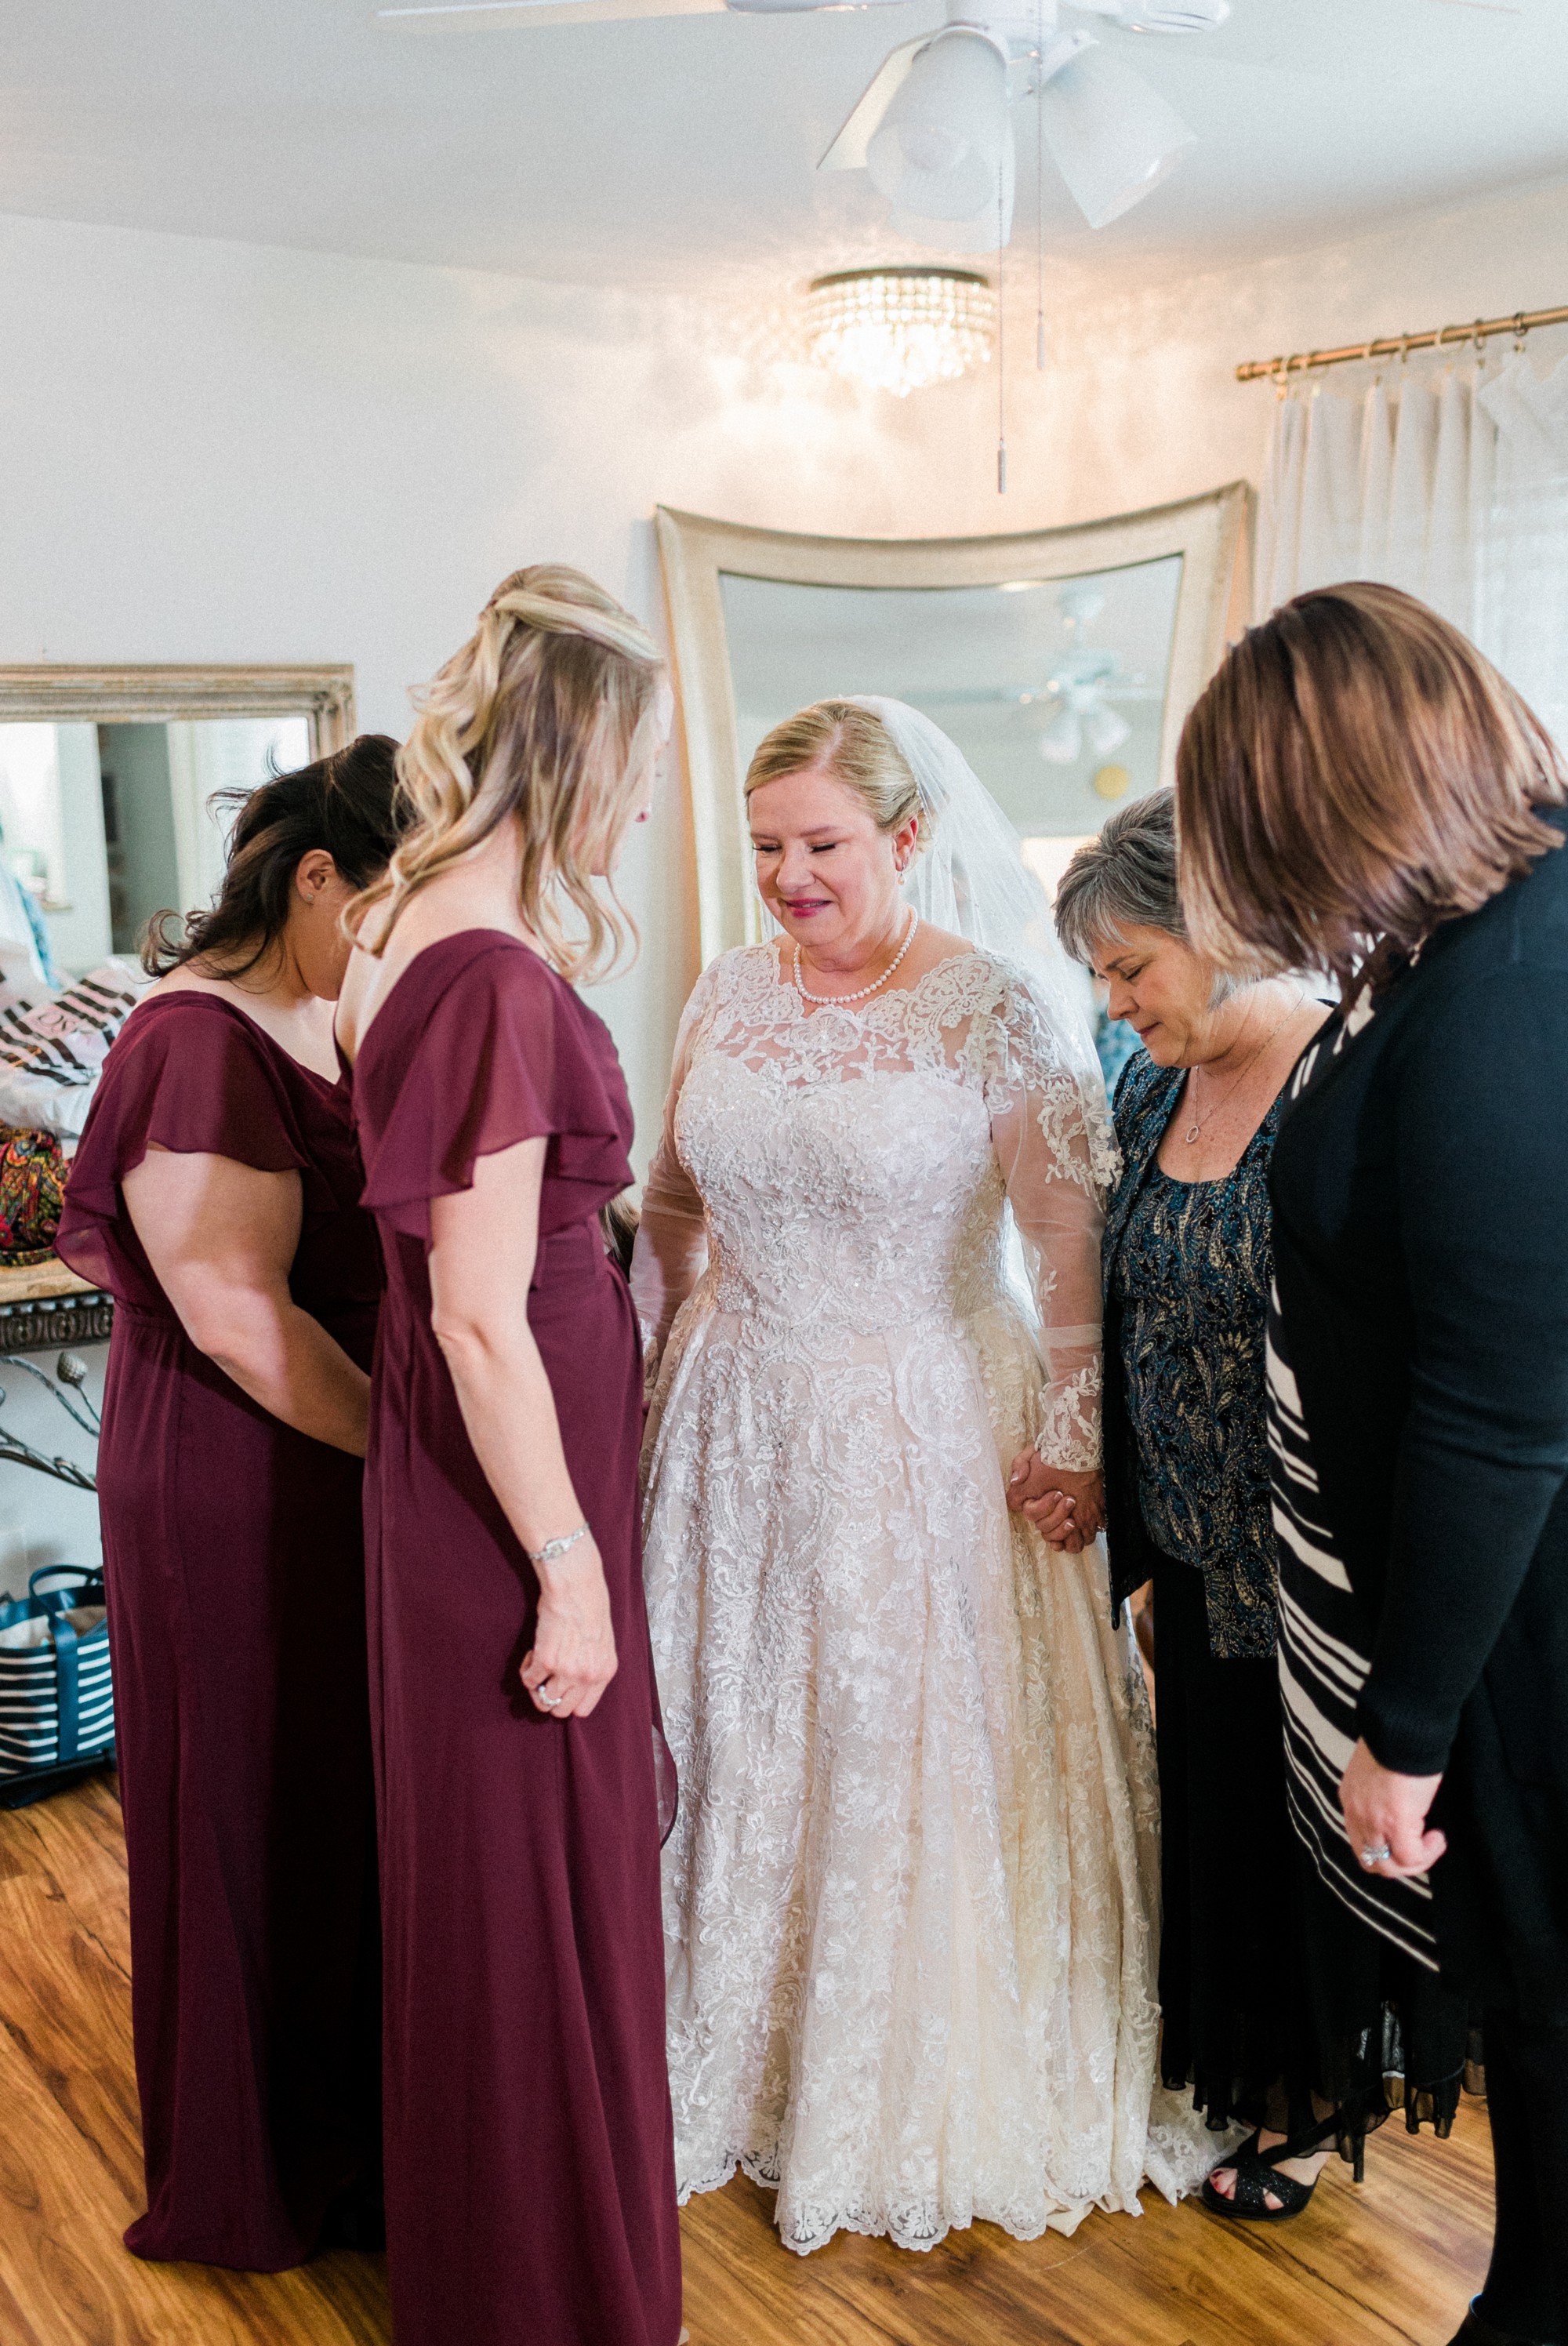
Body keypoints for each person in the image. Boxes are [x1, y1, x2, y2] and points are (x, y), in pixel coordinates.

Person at [633, 695, 1215, 2259]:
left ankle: (894, 2063)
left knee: (896, 1736)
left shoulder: (994, 1005)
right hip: (735, 1420)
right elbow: (674, 1197)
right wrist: (644, 1365)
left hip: (922, 1421)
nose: (788, 879)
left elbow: (1065, 1235)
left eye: (819, 844)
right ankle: (742, 2047)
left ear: (903, 837)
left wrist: (1082, 1435)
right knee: (749, 1725)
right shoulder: (723, 991)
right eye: (766, 847)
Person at [1177, 580, 1568, 2346]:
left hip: (1521, 1628)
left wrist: (1400, 1733)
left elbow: (1500, 1406)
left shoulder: (1503, 987)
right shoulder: (1479, 945)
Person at [335, 568, 683, 2346]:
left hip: (466, 1449)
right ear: (577, 748)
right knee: (529, 1874)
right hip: (501, 1477)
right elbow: (477, 1311)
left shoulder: (399, 925)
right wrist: (569, 1567)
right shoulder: (478, 968)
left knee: (503, 1874)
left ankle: (515, 2263)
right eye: (638, 765)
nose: (643, 805)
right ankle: (544, 2294)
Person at [1056, 791, 1465, 2221]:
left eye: (1132, 968)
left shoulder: (1340, 1074)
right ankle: (1244, 2074)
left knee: (1310, 1827)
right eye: (1099, 976)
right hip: (1184, 1529)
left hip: (1319, 1542)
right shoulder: (1145, 1088)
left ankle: (1315, 2101)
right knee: (1221, 1818)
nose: (1114, 1002)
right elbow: (1119, 1306)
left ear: (1217, 932)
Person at [54, 737, 404, 2268]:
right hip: (239, 1468)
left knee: (329, 1802)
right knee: (249, 1804)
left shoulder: (317, 1014)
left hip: (318, 1460)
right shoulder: (196, 1038)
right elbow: (237, 1311)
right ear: (317, 874)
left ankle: (346, 2134)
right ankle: (259, 2165)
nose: (399, 936)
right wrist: (416, 1452)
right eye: (388, 899)